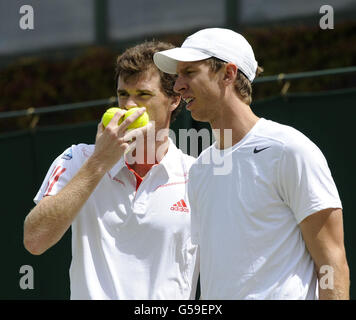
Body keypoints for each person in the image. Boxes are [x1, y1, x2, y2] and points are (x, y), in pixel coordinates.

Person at [153, 28, 350, 300]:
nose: (177, 86)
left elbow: (332, 261)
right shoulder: (199, 170)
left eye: (189, 73)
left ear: (228, 74)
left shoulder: (289, 150)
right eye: (178, 76)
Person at [24, 41, 199, 300]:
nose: (128, 106)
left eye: (143, 95)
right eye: (123, 94)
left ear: (174, 100)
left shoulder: (196, 175)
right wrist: (99, 163)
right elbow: (35, 240)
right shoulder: (77, 158)